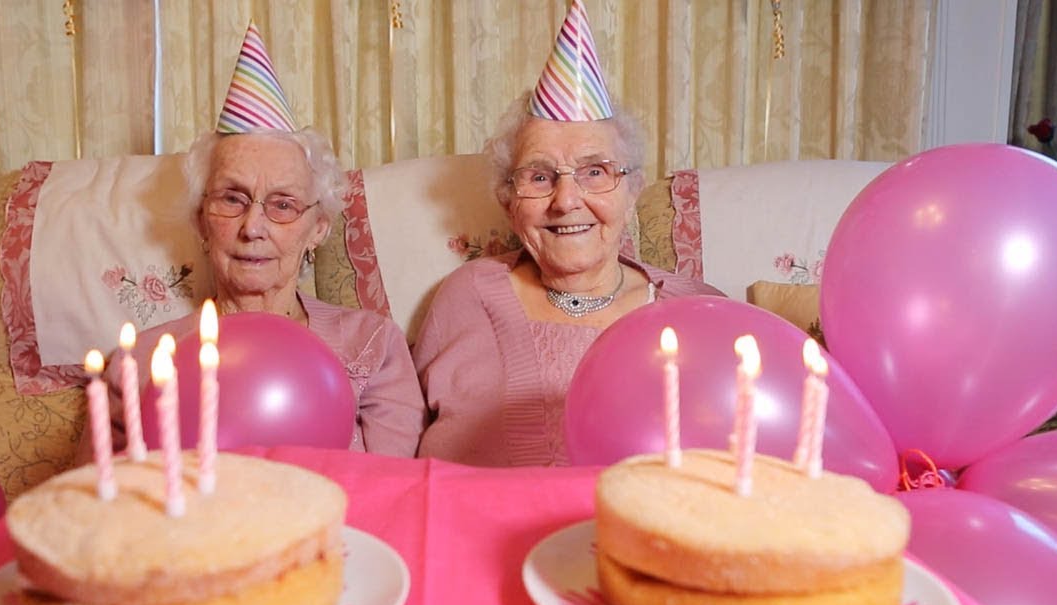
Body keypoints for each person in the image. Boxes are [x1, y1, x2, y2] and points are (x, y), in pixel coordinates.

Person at [82, 22, 425, 462]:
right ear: (201, 220)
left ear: (317, 227)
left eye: (282, 205)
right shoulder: (144, 359)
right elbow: (95, 501)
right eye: (232, 199)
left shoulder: (372, 344)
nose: (253, 227)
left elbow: (395, 492)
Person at [411, 1, 722, 467]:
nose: (566, 201)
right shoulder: (466, 297)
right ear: (507, 200)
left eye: (594, 171)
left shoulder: (701, 313)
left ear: (632, 189)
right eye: (539, 177)